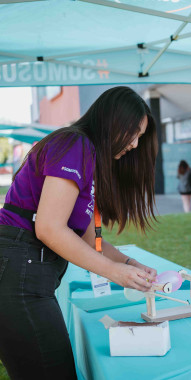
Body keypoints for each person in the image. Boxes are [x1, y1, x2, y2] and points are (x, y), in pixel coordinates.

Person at [0, 86, 159, 380]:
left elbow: (89, 240)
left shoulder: (85, 154)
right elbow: (49, 227)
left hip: (26, 276)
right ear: (114, 121)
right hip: (18, 275)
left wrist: (128, 264)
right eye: (135, 133)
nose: (136, 144)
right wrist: (114, 272)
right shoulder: (75, 144)